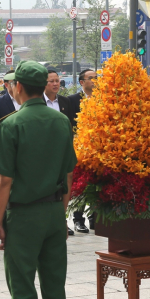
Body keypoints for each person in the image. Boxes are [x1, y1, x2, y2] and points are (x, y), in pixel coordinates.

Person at [0, 61, 76, 299]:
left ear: (18, 88)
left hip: (24, 217)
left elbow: (4, 181)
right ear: (44, 87)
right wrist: (61, 213)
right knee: (55, 290)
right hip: (54, 213)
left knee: (24, 291)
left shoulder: (11, 124)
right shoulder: (61, 122)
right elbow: (69, 174)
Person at [44, 69, 76, 236]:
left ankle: (62, 217)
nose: (56, 84)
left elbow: (70, 126)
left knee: (67, 179)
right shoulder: (38, 102)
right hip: (45, 150)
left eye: (57, 80)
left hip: (63, 148)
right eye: (52, 81)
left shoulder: (65, 101)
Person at [66, 68, 97, 233]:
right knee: (80, 185)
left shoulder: (103, 98)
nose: (94, 80)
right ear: (82, 82)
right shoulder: (72, 100)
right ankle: (78, 219)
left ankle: (95, 217)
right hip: (79, 148)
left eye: (96, 77)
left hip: (98, 148)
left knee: (96, 182)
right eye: (91, 78)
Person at [0, 68, 19, 158]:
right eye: (14, 83)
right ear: (6, 85)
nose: (18, 85)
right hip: (6, 150)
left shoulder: (26, 100)